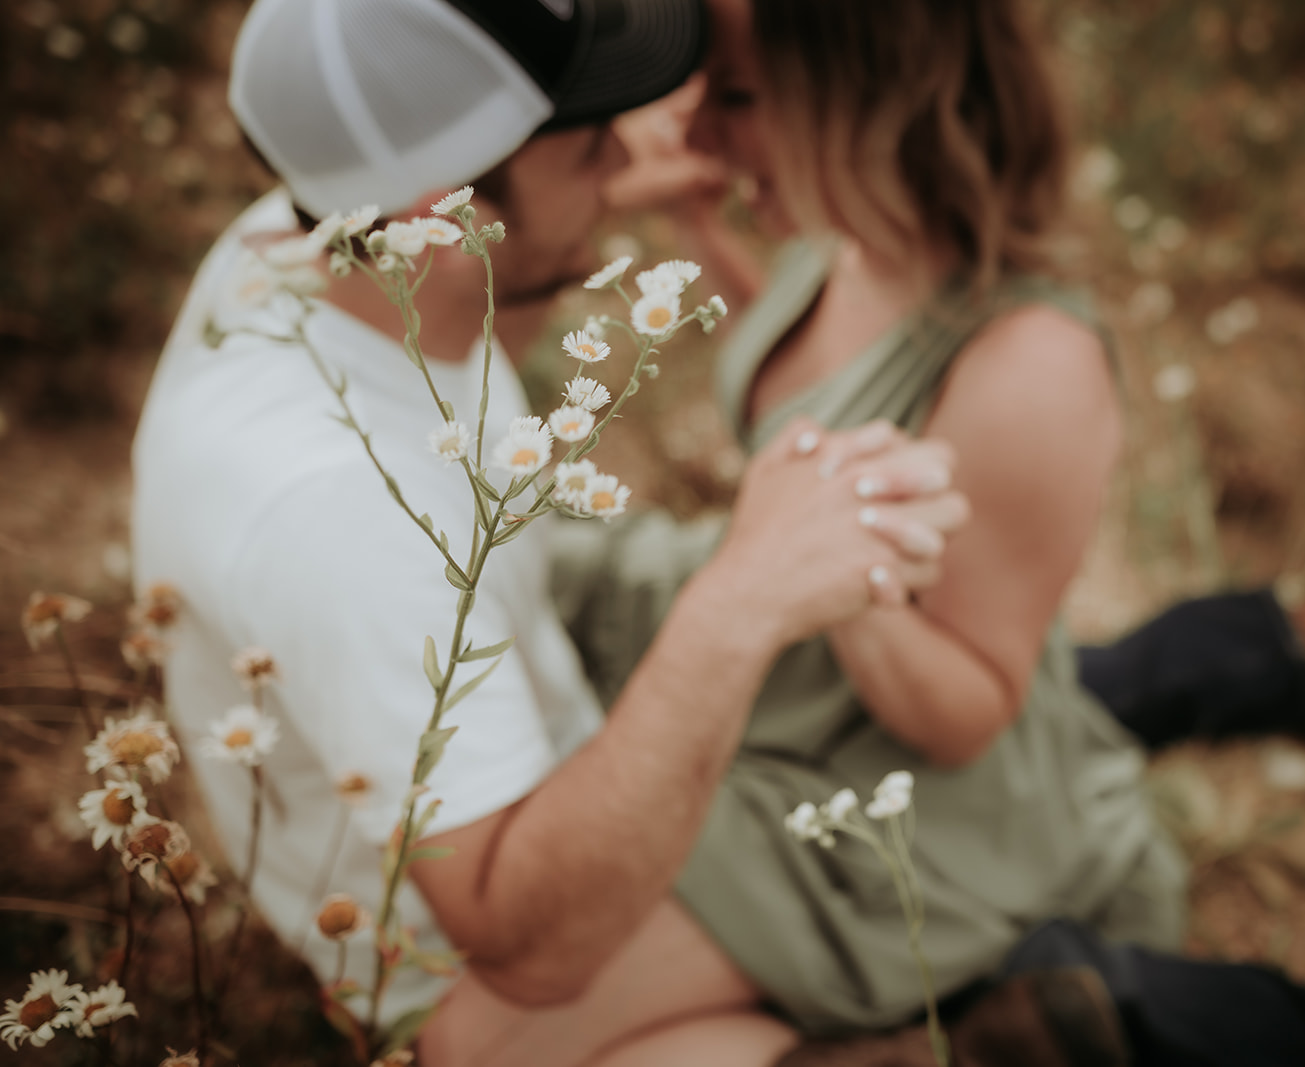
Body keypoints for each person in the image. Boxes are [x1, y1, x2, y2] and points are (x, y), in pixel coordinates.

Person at [532, 0, 1305, 1064]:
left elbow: (971, 708)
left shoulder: (1028, 366)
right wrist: (704, 237)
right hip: (818, 707)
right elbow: (828, 392)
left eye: (737, 96)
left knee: (1071, 970)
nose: (691, 131)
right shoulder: (840, 242)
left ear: (874, 97)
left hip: (930, 795)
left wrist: (806, 571)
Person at [131, 3, 969, 1067]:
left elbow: (460, 327)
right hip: (475, 954)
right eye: (589, 142)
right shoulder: (339, 507)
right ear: (449, 217)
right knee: (959, 847)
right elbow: (526, 939)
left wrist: (595, 197)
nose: (628, 152)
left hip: (546, 700)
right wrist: (738, 604)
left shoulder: (309, 235)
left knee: (978, 705)